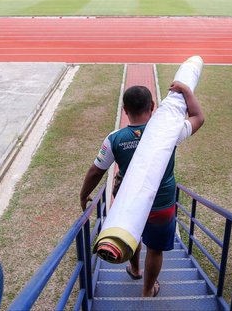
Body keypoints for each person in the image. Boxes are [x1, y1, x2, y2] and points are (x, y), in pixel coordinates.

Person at [79, 82, 204, 297]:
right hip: (162, 202)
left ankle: (135, 269)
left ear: (125, 110)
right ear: (153, 106)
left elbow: (95, 171)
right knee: (155, 249)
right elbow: (198, 118)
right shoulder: (168, 132)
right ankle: (147, 290)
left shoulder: (114, 139)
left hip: (129, 203)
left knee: (130, 232)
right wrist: (186, 91)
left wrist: (83, 195)